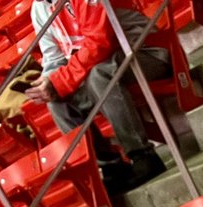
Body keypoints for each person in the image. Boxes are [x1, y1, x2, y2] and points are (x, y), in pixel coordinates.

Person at [28, 0, 169, 191]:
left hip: (147, 54)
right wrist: (47, 83)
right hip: (107, 65)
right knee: (56, 101)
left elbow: (99, 42)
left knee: (99, 75)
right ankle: (109, 165)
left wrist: (59, 81)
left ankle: (143, 155)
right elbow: (54, 59)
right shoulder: (39, 8)